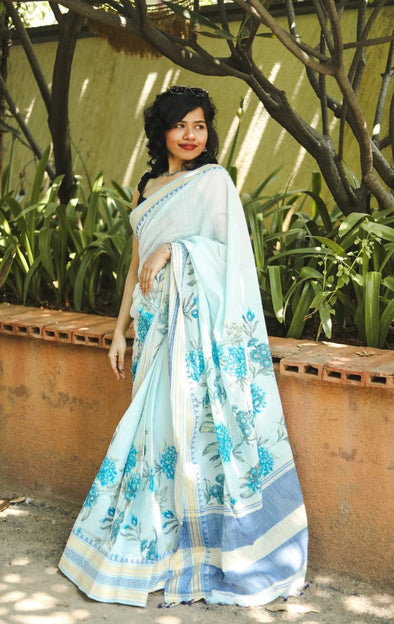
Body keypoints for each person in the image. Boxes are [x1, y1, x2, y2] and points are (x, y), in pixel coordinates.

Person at [59, 86, 308, 607]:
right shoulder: (147, 188)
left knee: (189, 437)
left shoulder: (214, 183)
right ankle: (151, 546)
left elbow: (231, 258)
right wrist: (118, 330)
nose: (192, 135)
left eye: (200, 125)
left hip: (195, 333)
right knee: (156, 437)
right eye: (181, 126)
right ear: (162, 133)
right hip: (153, 330)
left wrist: (176, 249)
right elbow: (134, 266)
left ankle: (200, 552)